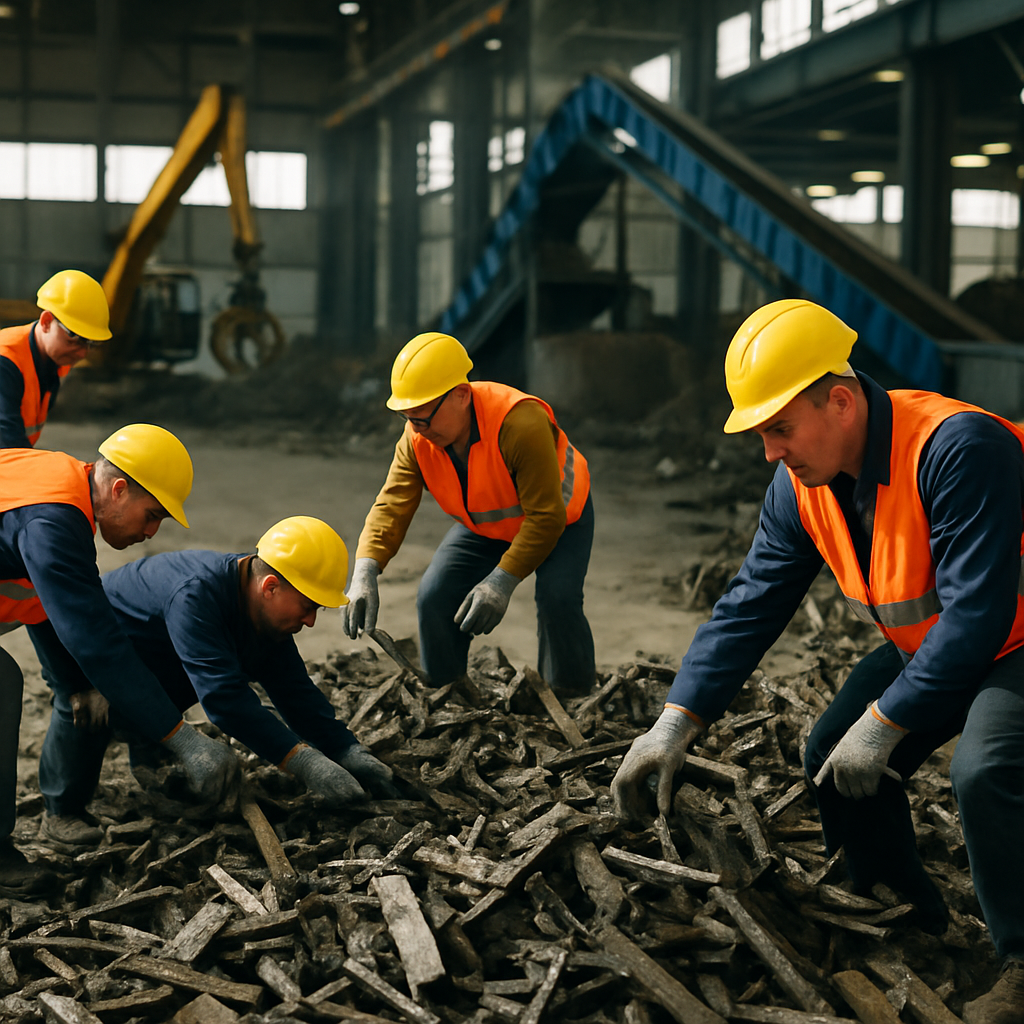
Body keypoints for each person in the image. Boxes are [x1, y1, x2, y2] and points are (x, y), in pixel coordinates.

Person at [610, 299, 1024, 1024]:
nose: (770, 451)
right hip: (943, 644)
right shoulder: (801, 484)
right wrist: (676, 721)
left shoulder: (958, 449)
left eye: (779, 428)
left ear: (840, 401)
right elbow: (751, 603)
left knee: (985, 771)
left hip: (1010, 639)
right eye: (762, 433)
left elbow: (979, 615)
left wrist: (887, 720)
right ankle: (898, 911)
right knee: (832, 751)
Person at [34, 516, 396, 838]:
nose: (311, 621)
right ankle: (62, 809)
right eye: (308, 606)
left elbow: (293, 689)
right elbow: (224, 699)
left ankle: (147, 751)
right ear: (270, 586)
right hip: (78, 647)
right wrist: (305, 763)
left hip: (148, 652)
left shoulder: (258, 607)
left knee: (189, 673)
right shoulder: (197, 595)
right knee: (86, 706)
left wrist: (344, 748)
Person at [0, 423, 239, 898]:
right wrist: (183, 740)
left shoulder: (57, 483)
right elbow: (96, 640)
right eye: (152, 516)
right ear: (119, 489)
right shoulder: (52, 519)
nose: (151, 533)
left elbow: (45, 604)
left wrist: (73, 683)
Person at [342, 332, 595, 695]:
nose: (416, 428)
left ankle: (571, 696)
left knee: (558, 599)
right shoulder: (417, 437)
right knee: (435, 595)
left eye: (423, 417)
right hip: (487, 526)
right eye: (407, 417)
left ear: (461, 394)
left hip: (559, 519)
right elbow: (392, 504)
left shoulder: (519, 423)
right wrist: (365, 571)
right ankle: (447, 693)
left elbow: (545, 517)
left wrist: (500, 582)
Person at [0, 269, 111, 448]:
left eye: (91, 344)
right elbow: (8, 444)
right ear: (46, 322)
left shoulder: (54, 360)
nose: (82, 354)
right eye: (74, 340)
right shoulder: (5, 361)